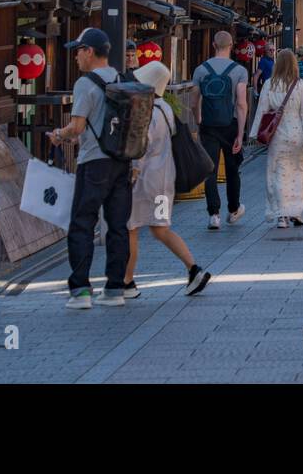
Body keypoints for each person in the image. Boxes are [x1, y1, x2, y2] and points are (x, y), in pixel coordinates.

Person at [49, 27, 131, 309]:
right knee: (118, 226)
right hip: (122, 160)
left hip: (94, 161)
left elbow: (78, 126)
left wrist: (59, 135)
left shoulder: (85, 84)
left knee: (83, 223)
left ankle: (81, 290)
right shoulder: (122, 79)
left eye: (78, 51)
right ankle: (115, 289)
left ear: (89, 52)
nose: (75, 57)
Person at [122, 60, 212, 298]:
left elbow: (141, 147)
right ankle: (194, 268)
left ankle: (127, 282)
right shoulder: (166, 109)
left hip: (145, 181)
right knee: (160, 229)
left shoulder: (146, 110)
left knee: (130, 227)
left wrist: (133, 171)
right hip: (165, 178)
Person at [248, 49, 303, 228]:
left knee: (277, 174)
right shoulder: (301, 85)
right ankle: (296, 211)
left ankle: (281, 216)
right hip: (298, 135)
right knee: (298, 173)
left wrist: (257, 134)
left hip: (277, 136)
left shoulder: (269, 85)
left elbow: (262, 111)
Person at [193, 30, 250, 231]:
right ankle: (233, 209)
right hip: (231, 124)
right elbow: (241, 103)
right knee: (233, 169)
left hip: (208, 125)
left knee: (211, 168)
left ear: (214, 45)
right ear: (231, 45)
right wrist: (240, 133)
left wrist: (198, 119)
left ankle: (213, 215)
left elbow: (194, 101)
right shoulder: (239, 70)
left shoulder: (201, 70)